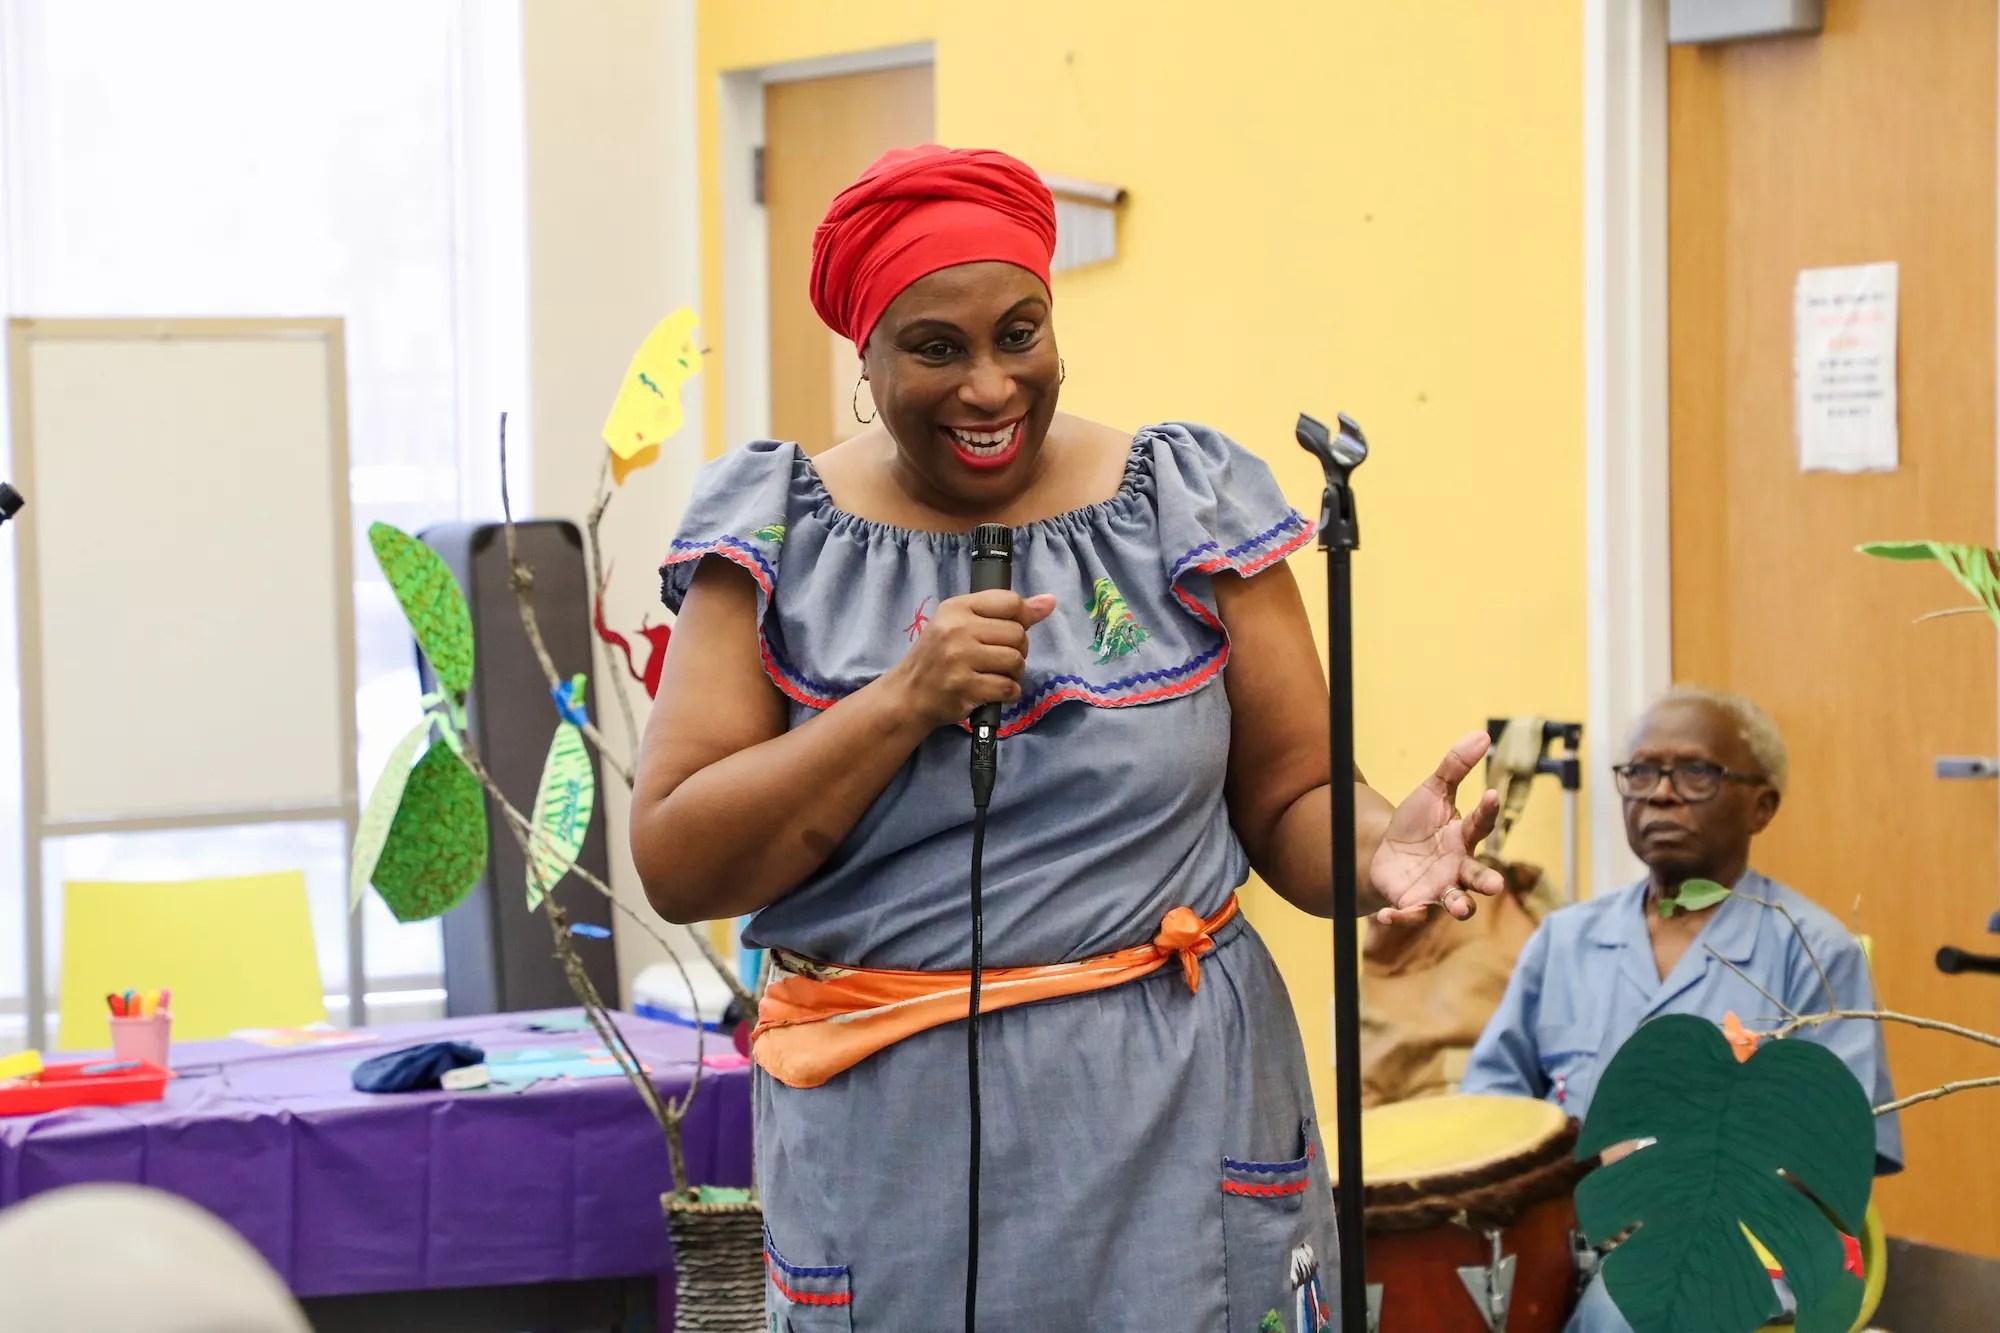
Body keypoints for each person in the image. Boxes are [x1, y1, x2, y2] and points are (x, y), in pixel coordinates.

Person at [631, 143, 1505, 1331]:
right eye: (934, 348)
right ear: (865, 359)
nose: (989, 387)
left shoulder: (1181, 503)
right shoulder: (778, 537)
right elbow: (679, 862)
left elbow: (1293, 795)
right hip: (891, 1149)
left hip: (1177, 1121)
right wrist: (900, 702)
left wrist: (1373, 853)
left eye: (1018, 335)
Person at [1460, 685, 1901, 1331]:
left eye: (1696, 772)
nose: (1661, 793)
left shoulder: (1812, 949)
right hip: (1559, 1236)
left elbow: (1835, 1149)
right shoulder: (1564, 940)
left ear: (1761, 806)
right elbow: (1489, 1109)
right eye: (1641, 771)